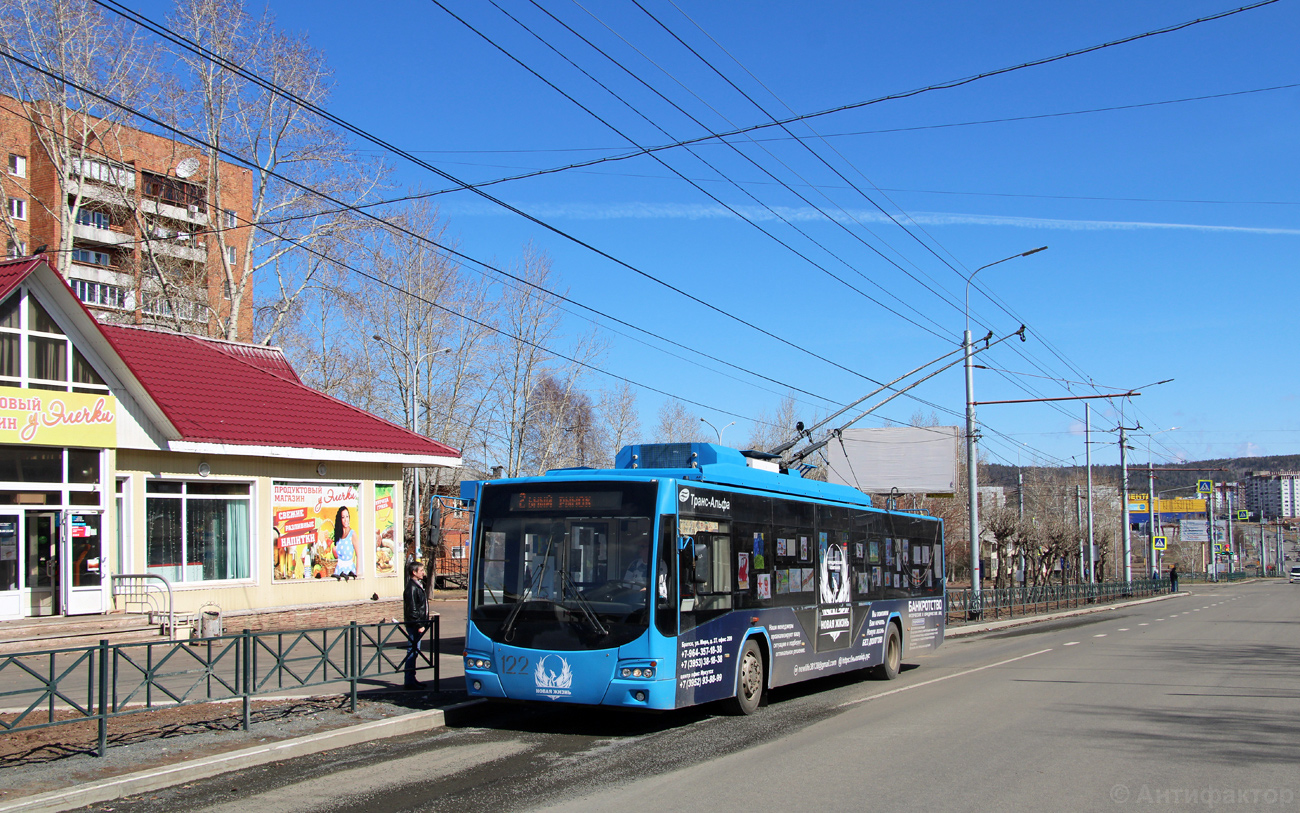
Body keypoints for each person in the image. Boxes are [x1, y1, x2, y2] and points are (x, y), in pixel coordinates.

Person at [402, 561, 430, 689]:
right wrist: (419, 624)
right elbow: (412, 610)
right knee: (412, 651)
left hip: (418, 624)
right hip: (414, 625)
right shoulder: (411, 588)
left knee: (415, 651)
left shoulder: (416, 585)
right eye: (421, 570)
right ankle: (409, 681)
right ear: (414, 572)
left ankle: (412, 678)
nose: (423, 572)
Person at [333, 506, 357, 580]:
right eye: (343, 517)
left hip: (349, 571)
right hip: (338, 571)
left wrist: (358, 576)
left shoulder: (352, 534)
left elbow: (359, 555)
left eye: (347, 516)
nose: (346, 519)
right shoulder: (338, 535)